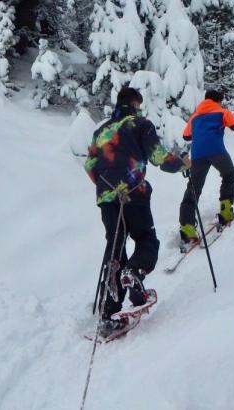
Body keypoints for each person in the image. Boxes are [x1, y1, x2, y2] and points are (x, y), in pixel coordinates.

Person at [84, 86, 190, 335]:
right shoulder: (141, 124)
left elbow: (90, 165)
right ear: (133, 104)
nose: (140, 109)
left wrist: (106, 184)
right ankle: (135, 271)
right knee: (145, 239)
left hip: (108, 197)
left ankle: (109, 312)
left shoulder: (100, 131)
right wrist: (182, 164)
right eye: (139, 105)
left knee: (115, 247)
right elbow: (157, 156)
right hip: (134, 193)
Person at [178, 90, 234, 245]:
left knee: (194, 187)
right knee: (229, 175)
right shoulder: (221, 111)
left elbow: (186, 136)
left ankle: (187, 227)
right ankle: (226, 212)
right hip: (216, 150)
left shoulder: (195, 116)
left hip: (198, 154)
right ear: (218, 100)